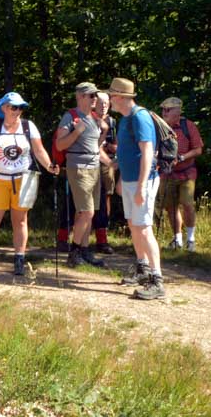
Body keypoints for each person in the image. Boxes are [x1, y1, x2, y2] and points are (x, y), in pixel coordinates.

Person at [0, 92, 58, 279]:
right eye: (14, 107)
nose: (18, 111)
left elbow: (39, 151)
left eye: (21, 107)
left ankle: (19, 260)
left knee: (20, 220)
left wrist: (49, 166)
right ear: (4, 108)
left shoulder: (29, 126)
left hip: (24, 180)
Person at [109, 77, 166, 300]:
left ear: (120, 97)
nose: (109, 100)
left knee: (143, 228)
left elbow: (147, 152)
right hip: (131, 180)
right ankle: (143, 268)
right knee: (134, 225)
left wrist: (141, 186)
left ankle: (157, 280)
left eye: (111, 96)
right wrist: (122, 178)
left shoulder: (139, 117)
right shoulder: (125, 119)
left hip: (143, 181)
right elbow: (128, 153)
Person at [54, 82, 112, 267]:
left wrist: (104, 132)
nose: (95, 99)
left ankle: (85, 251)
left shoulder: (93, 118)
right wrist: (76, 132)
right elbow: (59, 145)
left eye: (96, 95)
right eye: (91, 96)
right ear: (80, 97)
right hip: (78, 168)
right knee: (87, 212)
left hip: (94, 168)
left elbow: (94, 147)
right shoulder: (70, 117)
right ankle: (75, 252)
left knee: (88, 213)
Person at [160, 97, 204, 251]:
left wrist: (182, 158)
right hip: (167, 173)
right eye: (163, 109)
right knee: (170, 206)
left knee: (187, 204)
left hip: (187, 173)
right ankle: (177, 239)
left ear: (178, 111)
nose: (164, 113)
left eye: (168, 109)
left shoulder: (188, 126)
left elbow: (198, 149)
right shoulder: (160, 127)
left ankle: (191, 240)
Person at [94, 91, 119, 254]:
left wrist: (110, 147)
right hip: (89, 163)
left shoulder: (112, 122)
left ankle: (102, 236)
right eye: (101, 103)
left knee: (106, 197)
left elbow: (117, 145)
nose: (103, 106)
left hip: (107, 164)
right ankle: (71, 238)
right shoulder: (87, 118)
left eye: (106, 103)